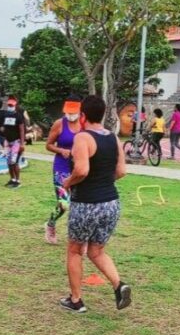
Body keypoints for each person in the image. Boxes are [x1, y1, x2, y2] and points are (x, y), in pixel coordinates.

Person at [60, 95, 132, 314]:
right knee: (97, 251)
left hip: (87, 203)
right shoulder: (113, 137)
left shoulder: (82, 138)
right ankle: (119, 285)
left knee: (75, 251)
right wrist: (102, 183)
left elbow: (82, 170)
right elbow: (121, 171)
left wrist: (68, 182)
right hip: (111, 203)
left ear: (83, 115)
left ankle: (76, 300)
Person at [44, 96, 82, 245]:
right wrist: (60, 150)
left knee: (79, 203)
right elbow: (48, 144)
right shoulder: (59, 124)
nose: (70, 115)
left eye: (73, 112)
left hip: (79, 167)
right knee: (64, 203)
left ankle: (77, 235)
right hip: (61, 168)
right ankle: (51, 224)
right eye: (68, 112)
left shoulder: (85, 125)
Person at [0, 96, 26, 188]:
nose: (10, 106)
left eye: (12, 105)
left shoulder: (18, 116)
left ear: (15, 105)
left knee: (14, 161)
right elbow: (4, 126)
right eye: (9, 105)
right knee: (8, 161)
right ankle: (12, 179)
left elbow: (22, 130)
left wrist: (22, 143)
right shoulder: (5, 114)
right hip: (7, 141)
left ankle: (18, 180)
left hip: (16, 141)